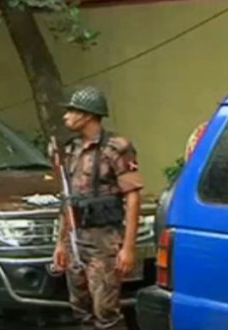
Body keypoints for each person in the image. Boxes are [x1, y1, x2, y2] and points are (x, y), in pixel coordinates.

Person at [52, 86, 144, 330]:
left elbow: (133, 197)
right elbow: (68, 200)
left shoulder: (116, 148)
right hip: (76, 238)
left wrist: (128, 248)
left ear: (88, 115)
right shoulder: (70, 150)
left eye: (72, 110)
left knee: (105, 310)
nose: (66, 116)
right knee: (80, 306)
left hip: (104, 238)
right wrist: (61, 243)